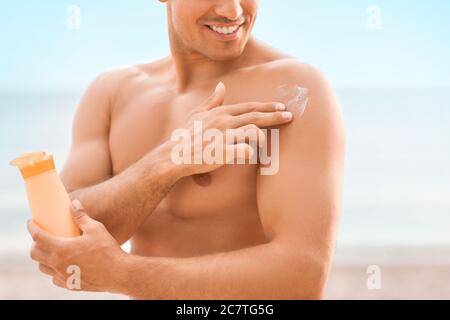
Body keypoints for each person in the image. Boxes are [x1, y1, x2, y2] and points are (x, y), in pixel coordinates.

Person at [28, 0, 345, 299]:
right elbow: (64, 236)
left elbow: (302, 277)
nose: (232, 10)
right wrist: (167, 162)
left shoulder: (292, 90)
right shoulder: (112, 93)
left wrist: (122, 273)